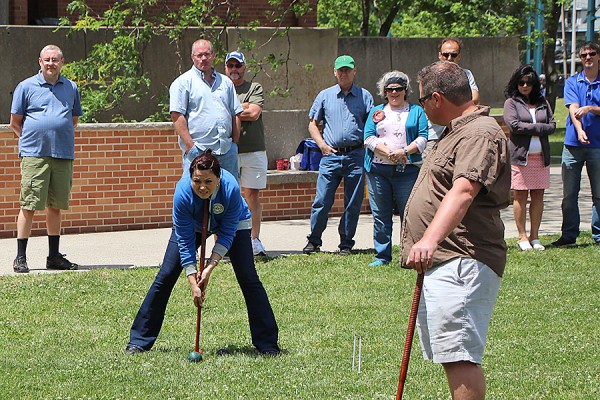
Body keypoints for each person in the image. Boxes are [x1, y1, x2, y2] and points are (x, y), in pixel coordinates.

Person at [401, 61, 510, 399]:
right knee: (450, 355)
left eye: (420, 100)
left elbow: (464, 190)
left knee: (460, 355)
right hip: (447, 260)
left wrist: (429, 240)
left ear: (436, 98)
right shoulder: (456, 130)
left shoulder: (480, 132)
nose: (421, 106)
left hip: (462, 258)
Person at [126, 150, 280, 356]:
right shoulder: (182, 192)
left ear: (218, 178)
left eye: (208, 181)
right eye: (197, 181)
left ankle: (267, 343)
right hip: (194, 225)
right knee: (166, 274)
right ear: (190, 177)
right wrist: (192, 278)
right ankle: (139, 340)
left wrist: (209, 267)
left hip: (233, 222)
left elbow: (227, 233)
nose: (202, 187)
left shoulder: (231, 187)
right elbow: (184, 240)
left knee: (248, 277)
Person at [10, 44, 83, 273]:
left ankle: (54, 257)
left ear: (62, 62)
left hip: (62, 154)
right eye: (47, 59)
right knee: (29, 205)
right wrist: (30, 142)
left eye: (55, 59)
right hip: (34, 155)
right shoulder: (26, 87)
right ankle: (21, 257)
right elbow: (15, 122)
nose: (51, 63)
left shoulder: (71, 87)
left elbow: (73, 120)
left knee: (55, 206)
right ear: (39, 62)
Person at [302, 55, 374, 255]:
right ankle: (314, 240)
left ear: (354, 71)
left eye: (347, 70)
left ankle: (346, 243)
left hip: (356, 155)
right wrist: (322, 145)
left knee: (353, 202)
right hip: (330, 156)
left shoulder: (365, 96)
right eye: (340, 70)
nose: (344, 73)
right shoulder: (324, 95)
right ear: (334, 72)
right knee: (322, 200)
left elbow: (372, 125)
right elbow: (312, 124)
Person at [363, 71, 428, 267]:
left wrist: (404, 152)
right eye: (390, 89)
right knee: (380, 215)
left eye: (398, 89)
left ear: (405, 90)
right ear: (384, 92)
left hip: (407, 170)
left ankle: (409, 254)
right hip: (378, 170)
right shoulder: (377, 112)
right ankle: (382, 256)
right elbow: (368, 137)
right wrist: (387, 151)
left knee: (408, 213)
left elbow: (423, 137)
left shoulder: (417, 111)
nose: (394, 92)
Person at [170, 39, 243, 178]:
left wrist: (234, 143)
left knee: (229, 194)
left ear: (213, 55)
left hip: (226, 151)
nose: (203, 58)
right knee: (197, 195)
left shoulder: (226, 82)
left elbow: (235, 113)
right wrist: (191, 146)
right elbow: (176, 116)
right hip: (199, 151)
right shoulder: (183, 83)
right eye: (199, 55)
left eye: (207, 54)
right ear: (193, 57)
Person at [551, 41, 600, 247]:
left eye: (591, 54)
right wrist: (579, 131)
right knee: (570, 194)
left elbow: (584, 108)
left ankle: (598, 235)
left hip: (597, 146)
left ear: (599, 56)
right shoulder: (573, 81)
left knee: (599, 194)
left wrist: (591, 108)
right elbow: (573, 108)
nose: (587, 58)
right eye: (583, 55)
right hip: (572, 145)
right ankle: (569, 235)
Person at [503, 65, 556, 251]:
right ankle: (522, 236)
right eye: (521, 82)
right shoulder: (511, 103)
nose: (525, 86)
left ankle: (535, 236)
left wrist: (533, 127)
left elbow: (552, 126)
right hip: (520, 157)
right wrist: (539, 127)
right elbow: (514, 126)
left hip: (541, 157)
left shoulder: (543, 102)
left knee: (538, 195)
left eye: (529, 83)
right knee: (520, 196)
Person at [225, 51, 268, 256]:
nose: (234, 70)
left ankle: (254, 240)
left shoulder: (254, 87)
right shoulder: (219, 88)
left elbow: (253, 113)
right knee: (225, 196)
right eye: (230, 66)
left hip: (253, 150)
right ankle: (225, 243)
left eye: (238, 66)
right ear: (225, 68)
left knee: (251, 195)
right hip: (227, 150)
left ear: (244, 67)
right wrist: (242, 106)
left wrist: (230, 109)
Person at [423, 37, 480, 159]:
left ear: (459, 56)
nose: (449, 58)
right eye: (445, 54)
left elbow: (475, 98)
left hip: (461, 132)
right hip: (435, 135)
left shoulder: (466, 74)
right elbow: (428, 103)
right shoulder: (429, 75)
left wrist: (444, 100)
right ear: (440, 55)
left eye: (453, 55)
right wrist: (458, 100)